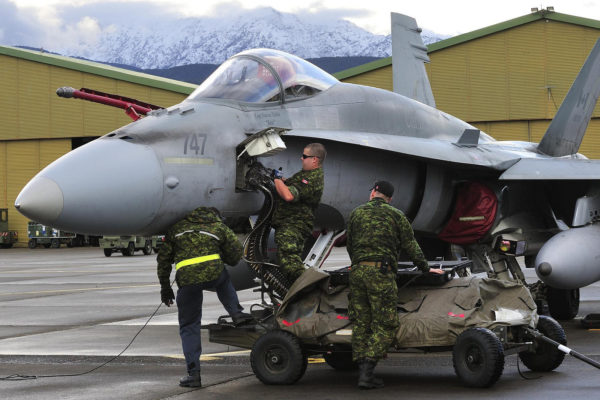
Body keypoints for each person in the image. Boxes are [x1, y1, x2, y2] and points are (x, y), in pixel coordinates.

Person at [346, 180, 444, 389]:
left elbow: (350, 243)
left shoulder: (356, 213)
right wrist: (426, 268)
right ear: (390, 199)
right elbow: (411, 245)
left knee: (362, 322)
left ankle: (363, 369)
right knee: (386, 323)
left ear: (373, 193)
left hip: (357, 272)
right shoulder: (396, 215)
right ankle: (367, 371)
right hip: (380, 274)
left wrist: (357, 263)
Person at [157, 207, 252, 388]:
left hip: (188, 281)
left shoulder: (177, 229)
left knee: (189, 326)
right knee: (223, 279)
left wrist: (165, 288)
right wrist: (224, 259)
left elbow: (163, 261)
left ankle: (194, 375)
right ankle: (236, 313)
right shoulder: (217, 226)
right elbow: (236, 252)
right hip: (214, 274)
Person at [271, 143, 326, 283]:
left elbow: (289, 195)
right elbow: (292, 185)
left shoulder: (312, 178)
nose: (301, 158)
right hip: (290, 224)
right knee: (288, 261)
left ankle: (311, 288)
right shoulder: (306, 174)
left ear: (315, 159)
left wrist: (277, 180)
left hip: (294, 225)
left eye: (304, 156)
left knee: (290, 264)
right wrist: (282, 180)